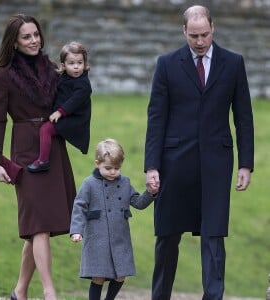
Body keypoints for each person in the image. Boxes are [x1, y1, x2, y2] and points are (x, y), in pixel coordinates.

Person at [145, 5, 254, 300]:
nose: (200, 41)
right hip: (174, 162)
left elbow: (243, 117)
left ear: (213, 29)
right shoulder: (167, 64)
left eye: (204, 34)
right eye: (193, 35)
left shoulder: (233, 63)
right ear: (184, 32)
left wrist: (246, 164)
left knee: (214, 234)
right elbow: (156, 117)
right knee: (167, 235)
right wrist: (151, 166)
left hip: (217, 163)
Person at [0, 14, 77, 300]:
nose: (34, 40)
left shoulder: (51, 69)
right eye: (26, 36)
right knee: (38, 223)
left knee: (40, 226)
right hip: (25, 151)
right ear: (14, 42)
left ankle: (20, 291)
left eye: (36, 34)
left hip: (52, 147)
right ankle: (50, 293)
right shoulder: (3, 75)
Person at [70, 138, 158, 300]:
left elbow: (138, 203)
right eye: (108, 168)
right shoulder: (89, 184)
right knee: (98, 277)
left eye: (117, 168)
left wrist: (150, 193)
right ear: (97, 163)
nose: (113, 172)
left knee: (121, 276)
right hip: (98, 239)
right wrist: (76, 230)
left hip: (120, 239)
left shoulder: (125, 182)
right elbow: (79, 207)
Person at [27, 41, 92, 173]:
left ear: (84, 63)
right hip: (66, 115)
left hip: (74, 119)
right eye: (71, 63)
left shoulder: (84, 85)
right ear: (63, 65)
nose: (76, 67)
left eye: (80, 63)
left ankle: (43, 161)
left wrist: (60, 112)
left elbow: (74, 101)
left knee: (46, 129)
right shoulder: (64, 77)